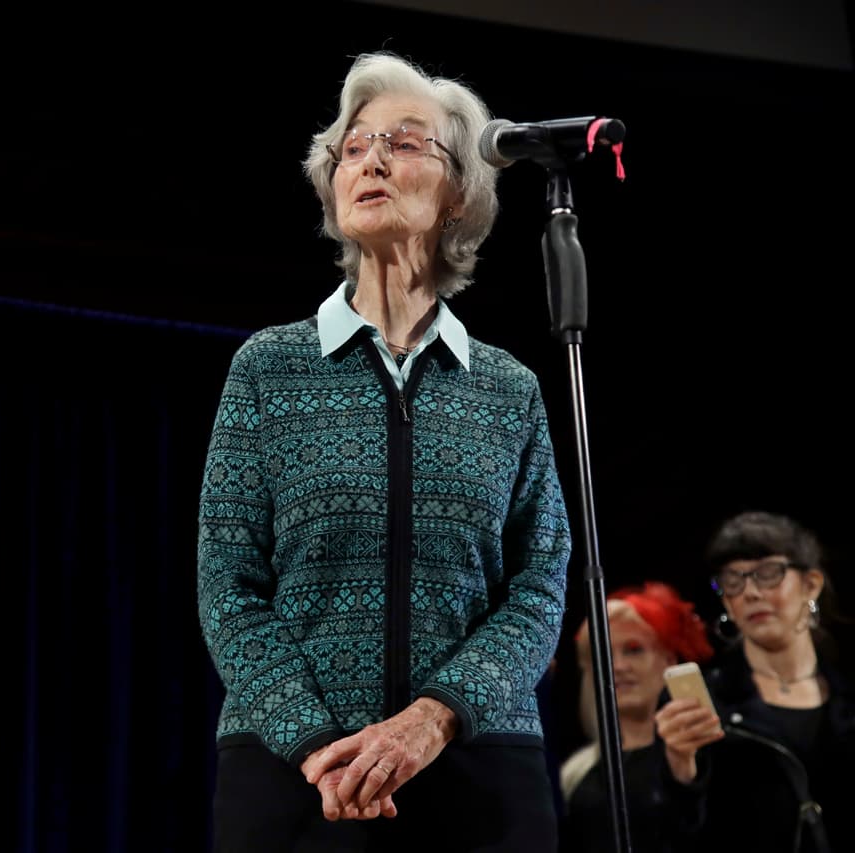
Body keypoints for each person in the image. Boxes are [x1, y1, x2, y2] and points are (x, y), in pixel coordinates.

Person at [196, 50, 572, 852]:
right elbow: (227, 582)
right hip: (298, 778)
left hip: (480, 773)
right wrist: (314, 745)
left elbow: (541, 585)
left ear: (459, 191)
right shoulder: (268, 368)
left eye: (403, 143)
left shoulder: (510, 388)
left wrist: (432, 720)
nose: (370, 160)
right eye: (353, 146)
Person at [654, 511, 854, 852]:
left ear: (811, 584)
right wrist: (680, 766)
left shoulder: (847, 693)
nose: (750, 592)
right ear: (726, 601)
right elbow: (678, 830)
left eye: (769, 574)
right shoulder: (706, 701)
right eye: (733, 580)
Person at [558, 582, 713, 853]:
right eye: (603, 655)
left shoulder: (704, 761)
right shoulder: (574, 774)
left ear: (668, 660)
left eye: (633, 649)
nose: (617, 666)